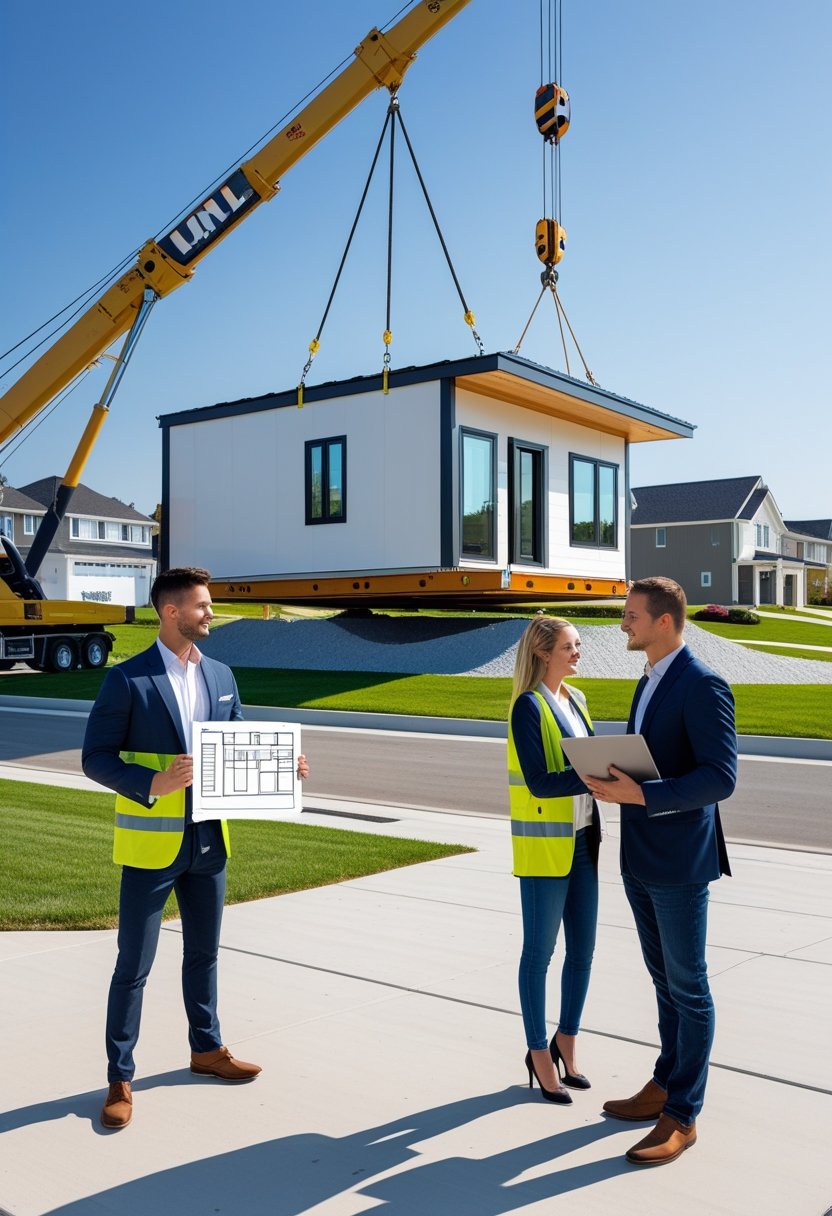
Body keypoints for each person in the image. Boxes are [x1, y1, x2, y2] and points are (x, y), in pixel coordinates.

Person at [82, 566, 309, 1130]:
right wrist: (151, 782)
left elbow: (234, 745)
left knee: (204, 955)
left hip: (210, 841)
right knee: (133, 964)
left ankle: (206, 1050)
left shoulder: (222, 674)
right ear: (171, 612)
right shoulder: (128, 680)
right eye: (202, 606)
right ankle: (120, 1076)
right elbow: (95, 757)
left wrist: (284, 768)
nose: (211, 614)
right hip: (152, 846)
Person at [583, 576, 736, 1167]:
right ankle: (664, 1082)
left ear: (664, 621)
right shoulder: (648, 679)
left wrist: (641, 796)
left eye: (631, 616)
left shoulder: (703, 684)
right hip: (640, 855)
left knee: (689, 986)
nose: (624, 624)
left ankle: (684, 1113)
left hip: (678, 859)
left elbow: (720, 778)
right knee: (663, 981)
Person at [508, 615, 603, 1105]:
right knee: (538, 955)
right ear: (544, 652)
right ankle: (538, 1052)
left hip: (584, 842)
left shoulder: (578, 700)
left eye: (578, 644)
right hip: (545, 850)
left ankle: (566, 1038)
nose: (578, 652)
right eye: (570, 645)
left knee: (583, 954)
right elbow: (541, 781)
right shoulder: (529, 707)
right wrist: (596, 775)